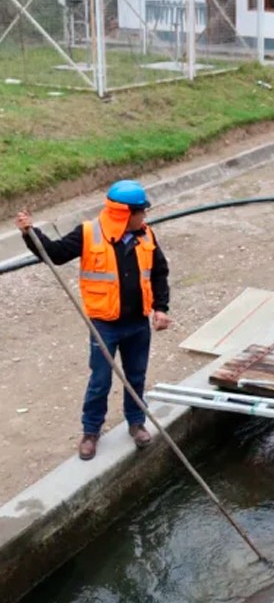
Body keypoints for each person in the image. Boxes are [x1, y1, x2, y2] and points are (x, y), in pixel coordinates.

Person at [14, 180, 171, 461]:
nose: (145, 217)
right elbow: (56, 254)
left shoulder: (146, 236)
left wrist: (161, 308)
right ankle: (91, 431)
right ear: (125, 213)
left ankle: (136, 423)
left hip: (138, 323)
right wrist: (30, 233)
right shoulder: (88, 233)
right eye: (141, 212)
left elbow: (159, 272)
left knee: (136, 375)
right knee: (100, 379)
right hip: (105, 325)